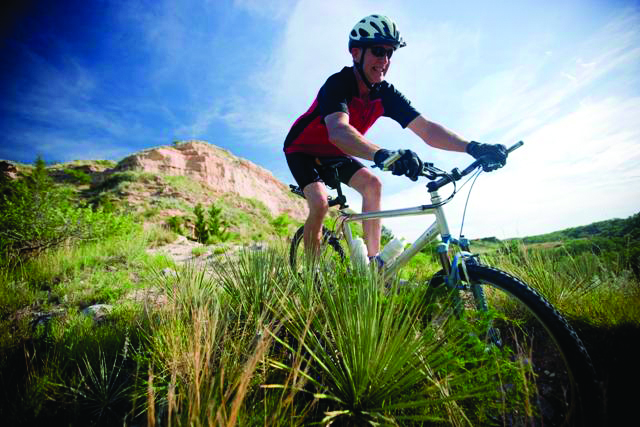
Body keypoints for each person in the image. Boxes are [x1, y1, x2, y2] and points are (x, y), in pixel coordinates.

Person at [283, 14, 507, 264]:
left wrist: (473, 147)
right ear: (356, 53)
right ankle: (310, 277)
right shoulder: (338, 84)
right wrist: (383, 154)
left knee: (373, 184)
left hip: (335, 152)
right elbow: (338, 131)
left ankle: (373, 266)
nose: (385, 60)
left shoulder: (385, 94)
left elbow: (428, 129)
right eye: (378, 51)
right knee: (320, 203)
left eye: (390, 53)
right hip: (301, 149)